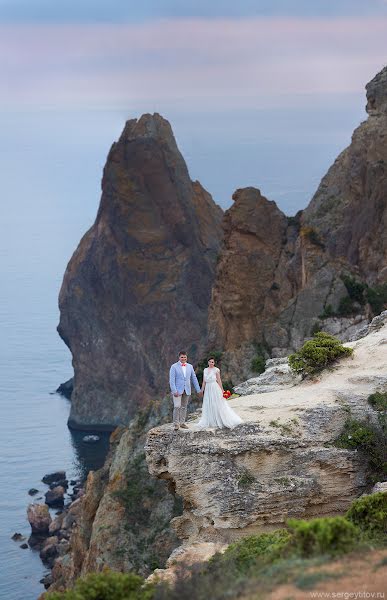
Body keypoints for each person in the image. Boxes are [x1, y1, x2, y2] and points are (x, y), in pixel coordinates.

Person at [197, 357, 243, 429]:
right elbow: (204, 381)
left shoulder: (216, 370)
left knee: (217, 403)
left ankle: (220, 419)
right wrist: (202, 390)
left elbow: (219, 380)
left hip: (214, 387)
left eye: (212, 362)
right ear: (208, 362)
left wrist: (222, 390)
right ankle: (211, 420)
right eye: (210, 362)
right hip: (208, 389)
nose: (211, 363)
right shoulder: (205, 370)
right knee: (209, 403)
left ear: (214, 363)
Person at [169, 351, 202, 431]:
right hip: (177, 390)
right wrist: (174, 390)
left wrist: (198, 389)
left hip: (187, 389)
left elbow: (194, 378)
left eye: (185, 357)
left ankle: (182, 423)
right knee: (177, 406)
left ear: (186, 357)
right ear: (179, 357)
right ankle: (176, 423)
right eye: (182, 357)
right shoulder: (174, 367)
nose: (183, 359)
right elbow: (171, 380)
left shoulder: (190, 366)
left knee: (184, 407)